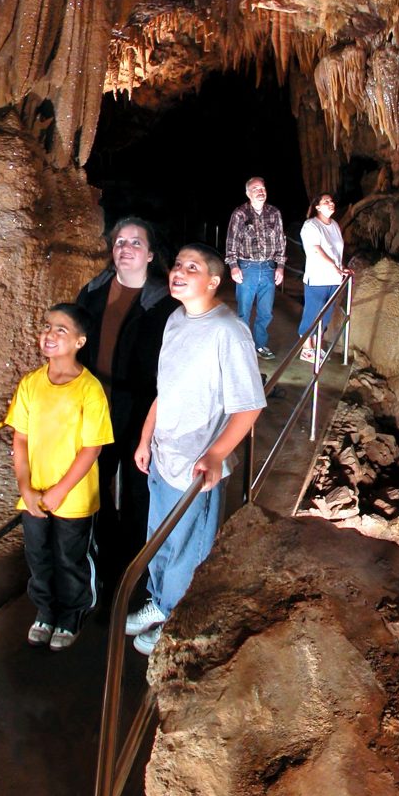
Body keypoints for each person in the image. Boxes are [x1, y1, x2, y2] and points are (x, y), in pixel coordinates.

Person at [124, 244, 264, 654]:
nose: (179, 271)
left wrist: (217, 455)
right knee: (160, 538)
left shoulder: (228, 331)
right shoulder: (176, 320)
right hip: (164, 454)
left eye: (192, 266)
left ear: (214, 281)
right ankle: (161, 603)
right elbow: (165, 389)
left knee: (189, 546)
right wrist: (146, 436)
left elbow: (249, 405)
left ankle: (178, 619)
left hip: (196, 467)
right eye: (178, 264)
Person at [4, 305, 114, 650]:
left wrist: (59, 491)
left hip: (74, 495)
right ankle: (45, 609)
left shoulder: (89, 389)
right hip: (34, 492)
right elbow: (19, 438)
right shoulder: (31, 384)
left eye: (61, 330)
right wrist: (26, 487)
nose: (49, 334)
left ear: (80, 341)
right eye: (47, 327)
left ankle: (73, 612)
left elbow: (91, 449)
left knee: (71, 556)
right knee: (38, 554)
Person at [71, 216, 174, 576]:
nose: (125, 249)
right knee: (93, 486)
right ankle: (100, 559)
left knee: (136, 492)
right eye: (119, 242)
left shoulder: (164, 303)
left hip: (140, 412)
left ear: (149, 254)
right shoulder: (93, 292)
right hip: (96, 410)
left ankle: (132, 572)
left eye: (135, 243)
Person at [223, 175, 287, 355]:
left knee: (266, 312)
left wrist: (280, 266)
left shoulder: (274, 213)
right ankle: (243, 347)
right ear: (248, 193)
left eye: (262, 188)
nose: (260, 191)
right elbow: (232, 241)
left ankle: (260, 345)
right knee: (243, 311)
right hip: (247, 268)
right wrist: (233, 266)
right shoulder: (240, 214)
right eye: (256, 189)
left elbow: (281, 241)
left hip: (268, 268)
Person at [295, 192, 346, 362]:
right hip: (317, 278)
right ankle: (306, 348)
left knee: (326, 315)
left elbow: (337, 250)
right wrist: (333, 266)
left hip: (334, 278)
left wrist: (341, 267)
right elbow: (316, 249)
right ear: (317, 207)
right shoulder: (311, 225)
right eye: (326, 202)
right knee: (313, 312)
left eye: (331, 201)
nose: (330, 203)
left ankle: (317, 347)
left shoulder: (335, 225)